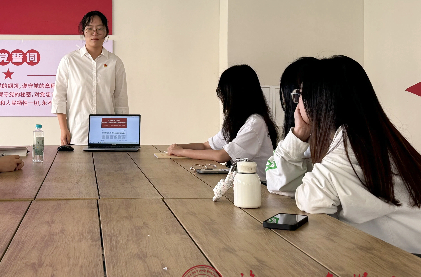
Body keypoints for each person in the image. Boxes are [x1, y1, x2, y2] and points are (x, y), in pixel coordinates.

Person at [287, 56, 421, 254]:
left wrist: (299, 133)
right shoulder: (372, 134)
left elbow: (311, 200)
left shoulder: (349, 145)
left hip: (408, 261)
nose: (297, 103)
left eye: (301, 95)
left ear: (320, 102)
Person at [167, 64, 278, 182]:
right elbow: (206, 146)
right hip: (241, 182)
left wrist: (182, 152)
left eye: (224, 94)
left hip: (259, 185)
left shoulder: (255, 124)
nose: (223, 100)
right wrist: (179, 147)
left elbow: (221, 156)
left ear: (237, 95)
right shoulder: (237, 121)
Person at [52, 11, 129, 145]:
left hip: (107, 134)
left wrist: (121, 134)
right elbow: (59, 98)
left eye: (100, 28)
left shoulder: (115, 62)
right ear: (83, 32)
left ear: (106, 32)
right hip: (77, 133)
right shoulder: (69, 61)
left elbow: (120, 101)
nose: (95, 33)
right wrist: (63, 129)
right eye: (90, 29)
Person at [266, 57, 318, 196]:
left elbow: (281, 186)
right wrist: (299, 134)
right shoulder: (300, 135)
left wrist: (299, 134)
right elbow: (275, 182)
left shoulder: (337, 140)